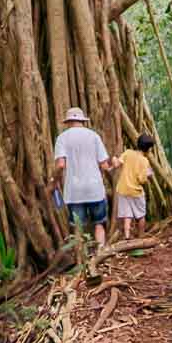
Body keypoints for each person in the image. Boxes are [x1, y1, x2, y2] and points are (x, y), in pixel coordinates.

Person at [52, 106, 113, 248]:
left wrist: (53, 180)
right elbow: (104, 165)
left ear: (68, 122)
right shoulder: (94, 136)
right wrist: (113, 166)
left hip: (74, 191)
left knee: (78, 228)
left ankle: (81, 259)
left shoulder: (62, 138)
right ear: (82, 121)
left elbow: (60, 165)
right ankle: (100, 254)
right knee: (99, 224)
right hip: (95, 189)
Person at [112, 132, 155, 240]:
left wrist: (113, 158)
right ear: (148, 149)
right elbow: (142, 179)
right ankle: (141, 236)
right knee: (140, 215)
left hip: (123, 190)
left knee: (127, 215)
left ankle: (127, 236)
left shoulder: (128, 153)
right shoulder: (145, 161)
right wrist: (149, 175)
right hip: (136, 192)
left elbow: (117, 164)